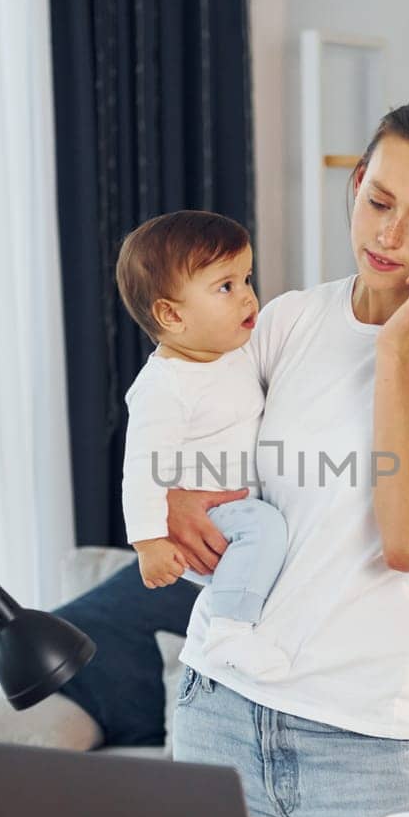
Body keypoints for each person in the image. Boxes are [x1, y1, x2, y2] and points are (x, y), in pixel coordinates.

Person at [165, 96, 409, 817]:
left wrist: (395, 354)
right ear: (355, 186)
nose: (389, 234)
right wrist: (175, 498)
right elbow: (194, 451)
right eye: (378, 200)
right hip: (218, 711)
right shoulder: (286, 320)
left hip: (363, 743)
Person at [114, 210, 291, 681]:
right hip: (208, 521)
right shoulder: (166, 386)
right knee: (266, 527)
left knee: (270, 532)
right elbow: (144, 468)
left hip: (234, 509)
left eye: (246, 278)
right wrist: (149, 542)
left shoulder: (234, 354)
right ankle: (228, 634)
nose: (248, 295)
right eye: (225, 287)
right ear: (171, 315)